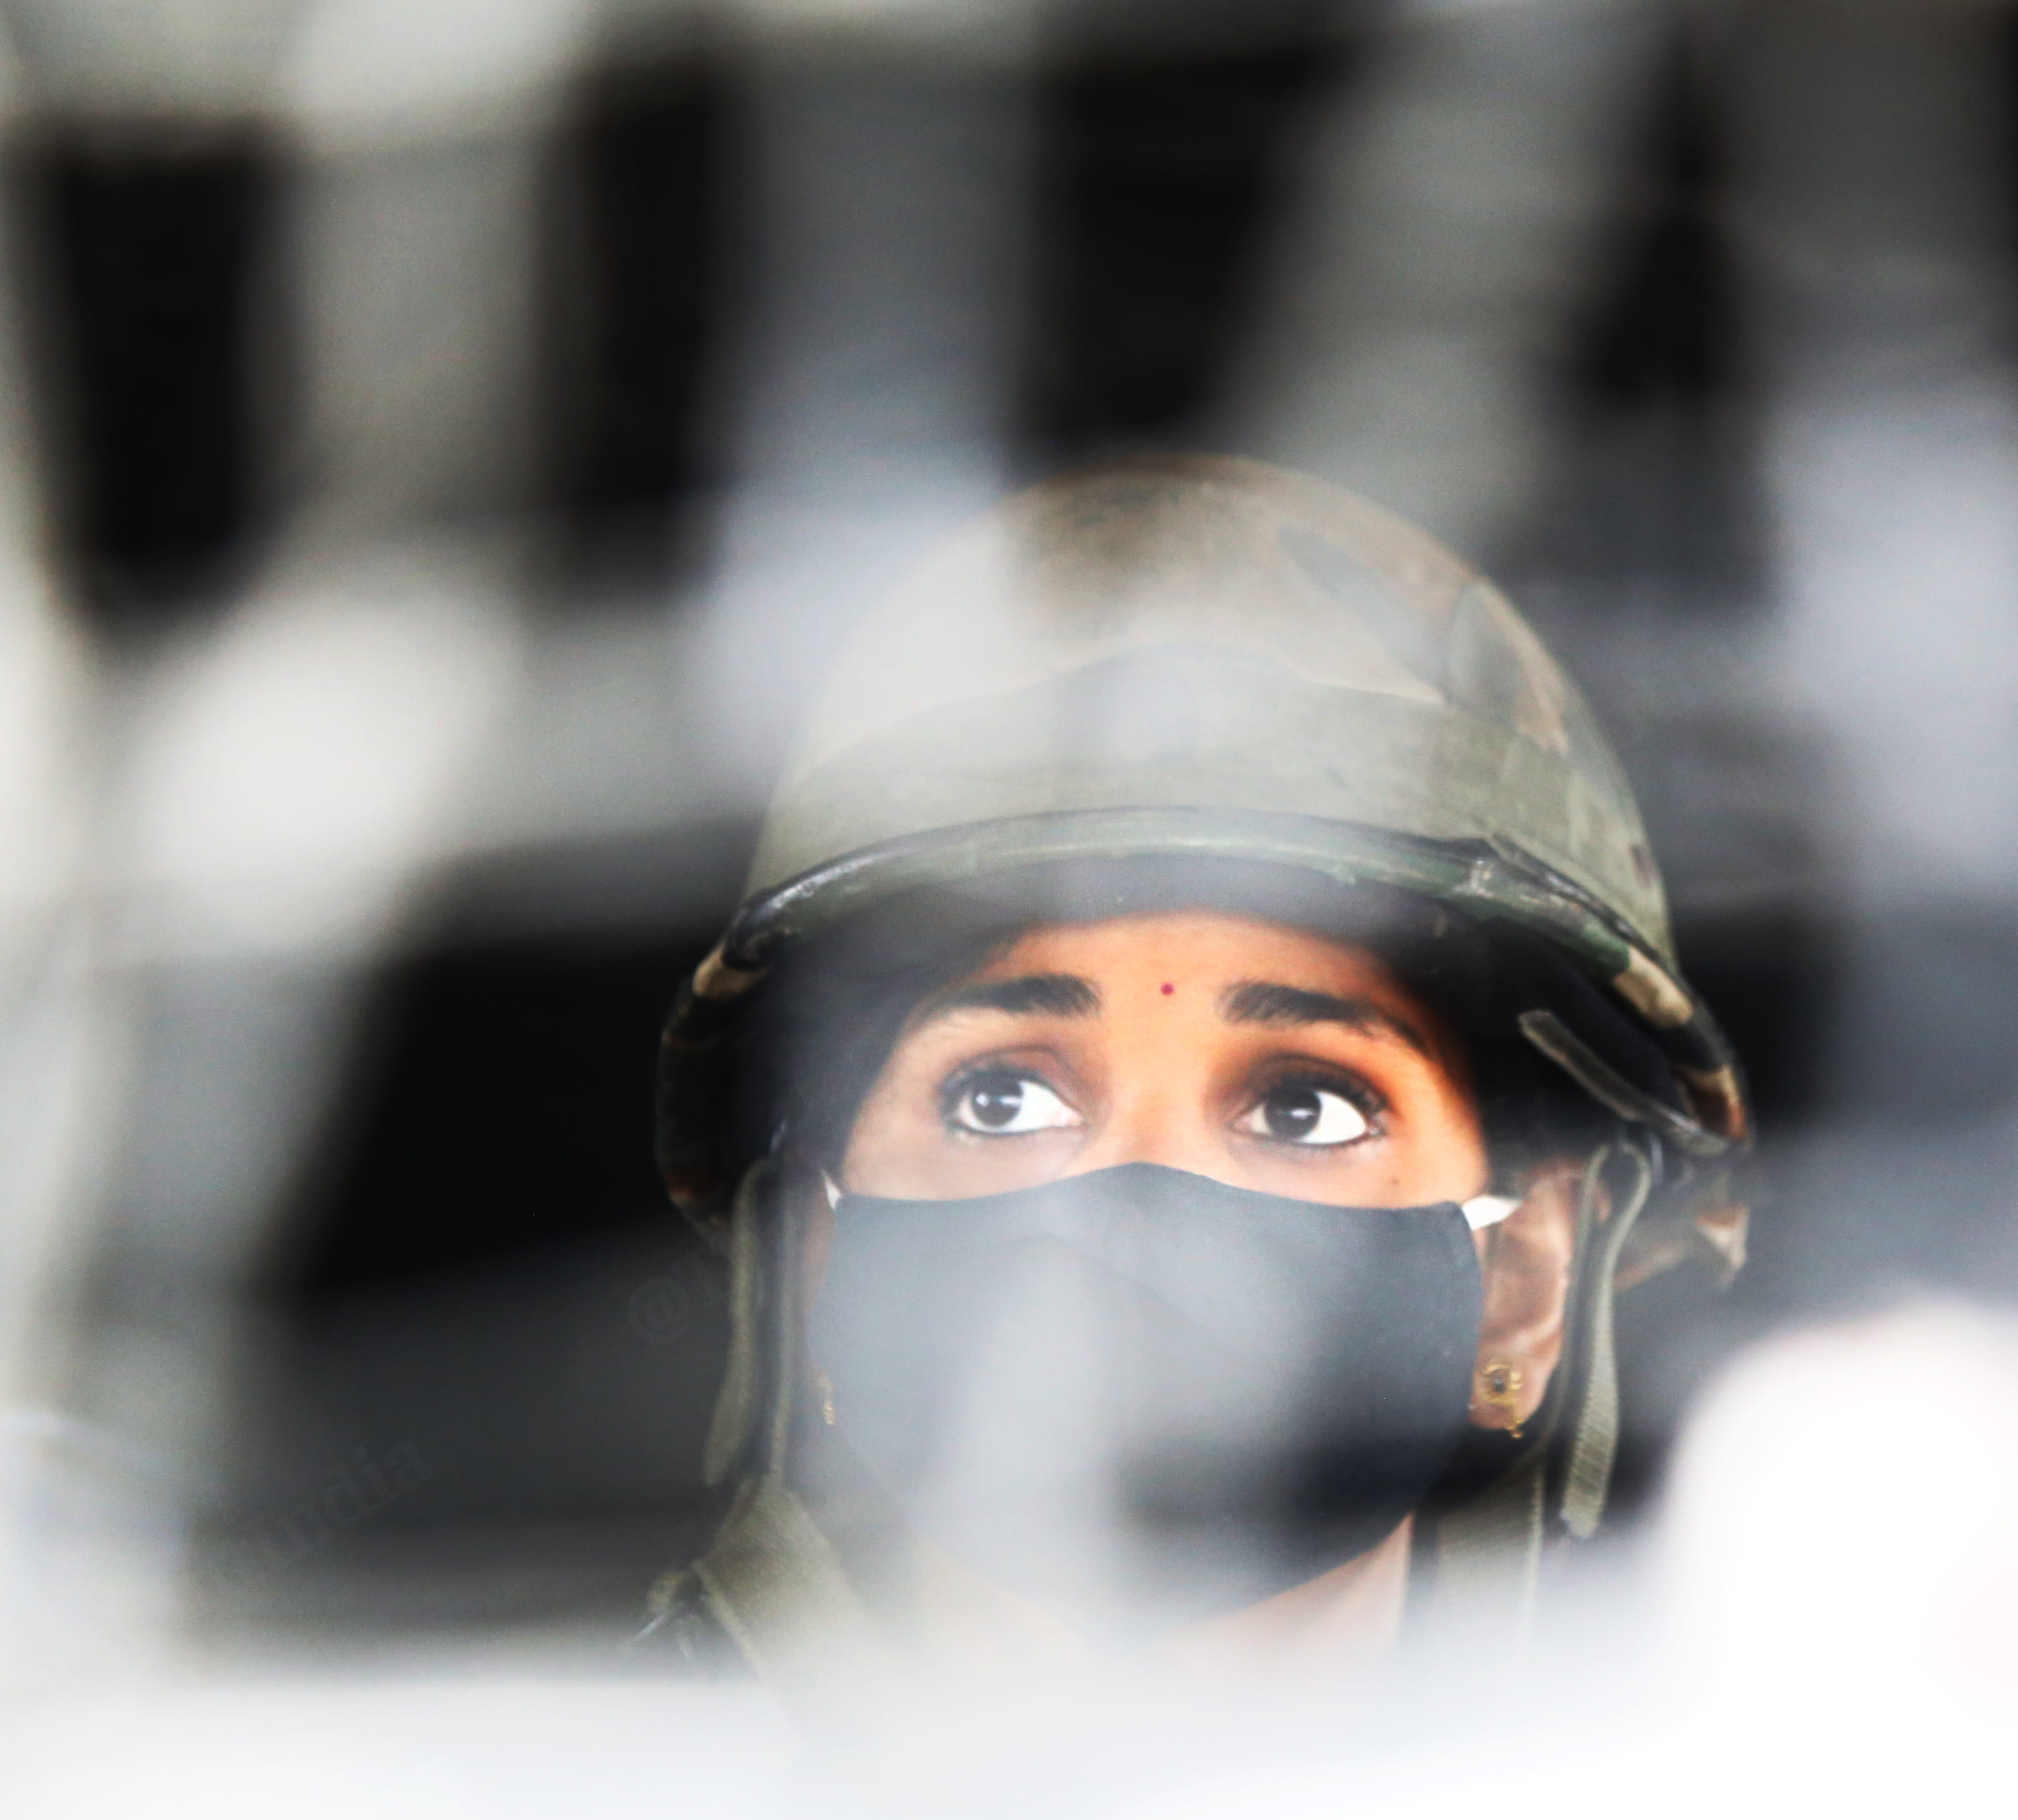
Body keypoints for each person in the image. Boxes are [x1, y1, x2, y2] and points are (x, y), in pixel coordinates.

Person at [647, 455, 1752, 1717]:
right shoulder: (541, 1816)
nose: (1138, 1210)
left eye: (1303, 1107)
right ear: (807, 1256)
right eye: (1000, 1099)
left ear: (1527, 1280)